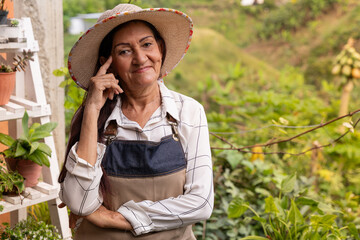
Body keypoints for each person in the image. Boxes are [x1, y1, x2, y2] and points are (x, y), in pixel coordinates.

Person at [58, 3, 214, 239]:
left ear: (160, 49)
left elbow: (200, 203)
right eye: (124, 51)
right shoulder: (98, 119)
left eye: (147, 44)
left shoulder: (189, 112)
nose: (141, 58)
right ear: (106, 64)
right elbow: (80, 203)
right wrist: (91, 109)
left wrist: (117, 218)